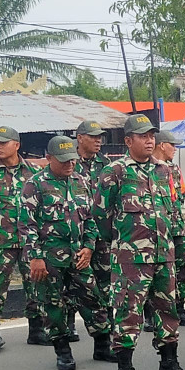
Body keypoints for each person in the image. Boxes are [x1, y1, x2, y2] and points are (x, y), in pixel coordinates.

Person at [93, 114, 185, 370]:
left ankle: (169, 365)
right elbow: (101, 216)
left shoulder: (165, 170)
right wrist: (123, 244)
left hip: (164, 255)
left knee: (168, 310)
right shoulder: (114, 172)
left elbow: (172, 210)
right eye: (143, 136)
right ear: (128, 141)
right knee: (127, 314)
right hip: (131, 259)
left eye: (152, 135)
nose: (150, 140)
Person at [19, 136, 114, 370]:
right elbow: (26, 225)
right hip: (49, 259)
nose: (69, 165)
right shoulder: (35, 185)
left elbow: (90, 219)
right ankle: (63, 350)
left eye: (72, 160)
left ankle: (102, 346)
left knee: (94, 300)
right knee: (53, 305)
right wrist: (36, 258)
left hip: (79, 257)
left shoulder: (81, 181)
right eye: (63, 161)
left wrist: (89, 247)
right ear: (49, 159)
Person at [0, 125, 45, 351]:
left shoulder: (33, 173)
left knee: (35, 284)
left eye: (4, 142)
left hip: (28, 240)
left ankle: (37, 329)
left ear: (17, 145)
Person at [150, 130, 185, 328]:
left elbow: (178, 196)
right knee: (155, 273)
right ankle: (151, 314)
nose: (175, 149)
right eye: (172, 145)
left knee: (180, 270)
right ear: (162, 145)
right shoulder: (150, 169)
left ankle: (180, 308)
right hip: (158, 231)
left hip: (176, 228)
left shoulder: (174, 169)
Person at [70, 119, 112, 341]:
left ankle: (105, 336)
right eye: (93, 136)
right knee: (74, 285)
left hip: (102, 237)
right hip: (76, 236)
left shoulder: (106, 165)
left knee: (106, 284)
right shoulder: (68, 163)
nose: (98, 141)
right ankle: (68, 327)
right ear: (80, 138)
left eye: (100, 137)